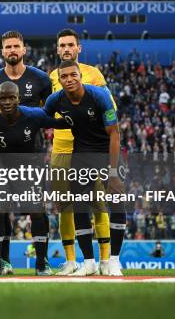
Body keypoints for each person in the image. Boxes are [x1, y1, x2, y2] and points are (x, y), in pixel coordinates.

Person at [43, 60, 125, 276]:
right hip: (81, 155)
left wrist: (114, 172)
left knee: (116, 202)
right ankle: (88, 262)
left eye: (73, 75)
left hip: (107, 152)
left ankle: (114, 260)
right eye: (64, 77)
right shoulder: (55, 99)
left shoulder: (99, 96)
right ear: (59, 80)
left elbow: (115, 133)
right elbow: (41, 119)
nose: (69, 79)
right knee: (80, 205)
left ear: (80, 75)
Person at [0, 30, 51, 274]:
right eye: (7, 46)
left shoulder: (41, 79)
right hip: (1, 157)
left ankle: (42, 265)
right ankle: (0, 264)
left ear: (23, 49)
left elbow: (50, 113)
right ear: (2, 51)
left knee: (36, 209)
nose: (12, 50)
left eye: (15, 46)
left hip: (32, 156)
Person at [0, 81, 68, 275]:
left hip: (30, 167)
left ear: (19, 99)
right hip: (2, 167)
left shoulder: (34, 115)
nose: (6, 102)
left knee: (37, 213)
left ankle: (41, 263)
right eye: (2, 98)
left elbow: (60, 122)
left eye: (11, 97)